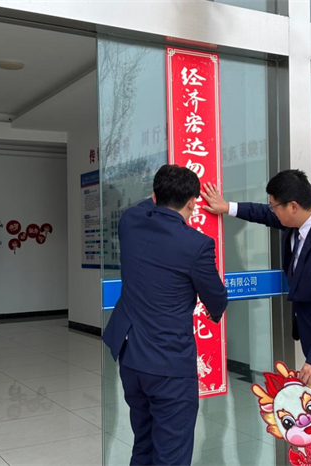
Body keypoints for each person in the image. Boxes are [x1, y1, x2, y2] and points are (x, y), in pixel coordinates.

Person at [201, 169, 311, 464]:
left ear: (293, 206)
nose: (272, 212)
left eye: (276, 207)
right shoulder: (303, 218)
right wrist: (227, 207)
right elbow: (265, 214)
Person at [103, 164, 228, 466]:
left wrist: (159, 196)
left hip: (131, 357)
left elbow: (146, 205)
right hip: (168, 363)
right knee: (171, 453)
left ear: (155, 196)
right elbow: (216, 300)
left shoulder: (130, 223)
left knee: (144, 443)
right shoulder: (197, 244)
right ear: (192, 203)